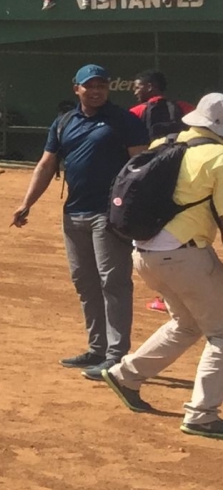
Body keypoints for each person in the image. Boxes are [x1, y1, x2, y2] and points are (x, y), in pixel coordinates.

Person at [83, 93, 223, 439]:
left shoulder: (165, 142)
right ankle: (202, 414)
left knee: (186, 325)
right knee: (221, 334)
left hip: (145, 254)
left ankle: (124, 375)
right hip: (185, 256)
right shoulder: (218, 158)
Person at [10, 64, 147, 369]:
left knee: (113, 282)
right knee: (85, 282)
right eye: (90, 86)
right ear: (77, 89)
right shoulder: (63, 123)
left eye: (102, 86)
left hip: (109, 215)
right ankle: (97, 348)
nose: (96, 91)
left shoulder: (123, 121)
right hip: (74, 214)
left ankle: (116, 356)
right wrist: (26, 202)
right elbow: (47, 165)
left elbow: (140, 168)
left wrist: (132, 209)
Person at [131, 71, 187, 142]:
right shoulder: (185, 107)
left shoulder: (135, 112)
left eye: (137, 88)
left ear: (149, 87)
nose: (135, 93)